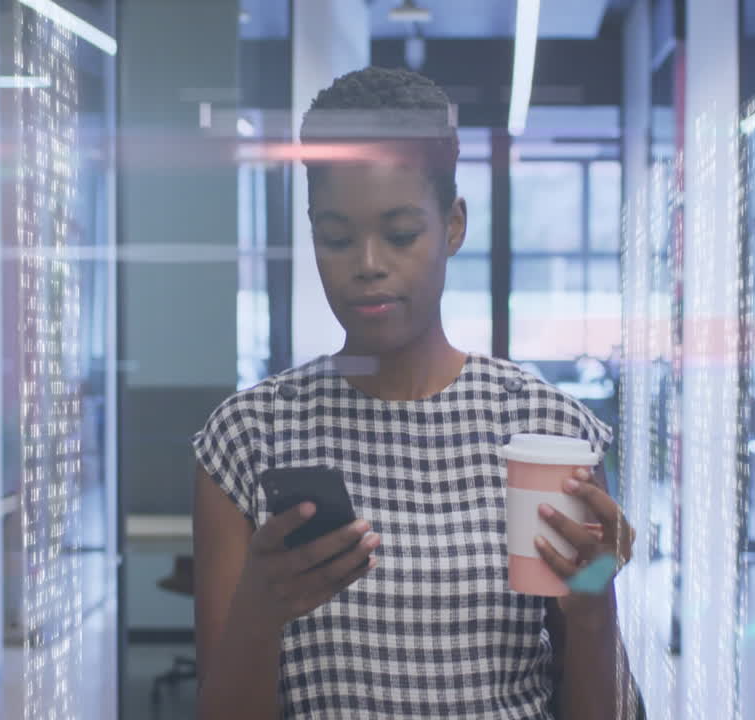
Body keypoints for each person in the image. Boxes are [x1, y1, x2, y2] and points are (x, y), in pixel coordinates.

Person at [191, 66, 640, 719]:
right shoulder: (249, 436)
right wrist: (261, 611)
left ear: (453, 226)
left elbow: (597, 695)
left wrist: (596, 598)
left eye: (400, 233)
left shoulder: (544, 427)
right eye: (336, 237)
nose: (367, 262)